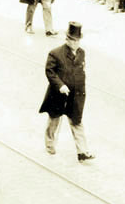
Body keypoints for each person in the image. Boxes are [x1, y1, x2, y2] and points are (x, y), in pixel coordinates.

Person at [38, 22, 95, 162]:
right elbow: (50, 72)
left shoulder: (82, 53)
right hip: (59, 94)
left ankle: (82, 152)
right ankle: (50, 144)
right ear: (67, 39)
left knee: (77, 121)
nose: (76, 43)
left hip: (76, 95)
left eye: (77, 40)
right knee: (54, 119)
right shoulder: (55, 53)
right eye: (73, 40)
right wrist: (60, 85)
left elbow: (81, 71)